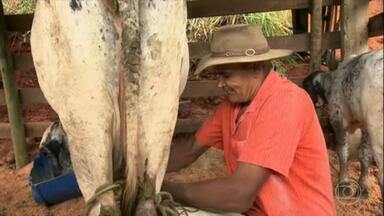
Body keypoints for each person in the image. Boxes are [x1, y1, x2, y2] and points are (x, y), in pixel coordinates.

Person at [162, 24, 336, 215]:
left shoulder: (285, 102)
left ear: (255, 68)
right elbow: (189, 150)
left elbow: (239, 195)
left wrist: (165, 190)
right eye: (218, 75)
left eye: (226, 75)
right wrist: (140, 171)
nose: (220, 84)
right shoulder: (232, 106)